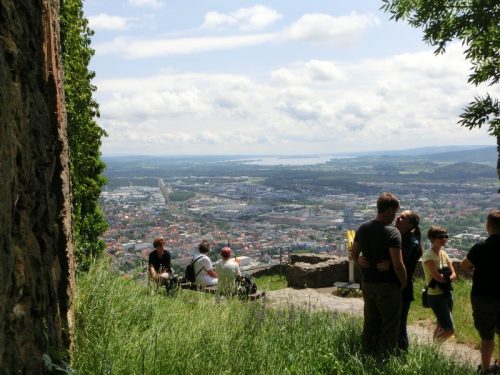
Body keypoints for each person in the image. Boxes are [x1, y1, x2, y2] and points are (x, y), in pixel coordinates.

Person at [351, 192, 407, 355]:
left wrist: (359, 259)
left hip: (368, 283)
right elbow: (398, 265)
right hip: (387, 285)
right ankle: (386, 358)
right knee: (390, 324)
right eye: (395, 212)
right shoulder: (392, 232)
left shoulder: (363, 227)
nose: (395, 216)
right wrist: (403, 282)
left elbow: (354, 254)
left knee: (370, 321)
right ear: (390, 210)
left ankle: (367, 352)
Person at [460, 210, 500, 374]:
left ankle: (485, 369)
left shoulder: (481, 247)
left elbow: (464, 265)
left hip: (483, 295)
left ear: (488, 225)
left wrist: (474, 270)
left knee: (486, 334)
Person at [422, 225, 457, 341]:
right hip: (436, 296)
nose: (444, 239)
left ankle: (434, 351)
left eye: (446, 236)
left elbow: (454, 275)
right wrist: (446, 276)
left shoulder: (444, 254)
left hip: (447, 293)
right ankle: (432, 349)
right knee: (449, 330)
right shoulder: (428, 255)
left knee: (441, 325)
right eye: (440, 237)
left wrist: (445, 276)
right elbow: (438, 278)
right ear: (432, 239)